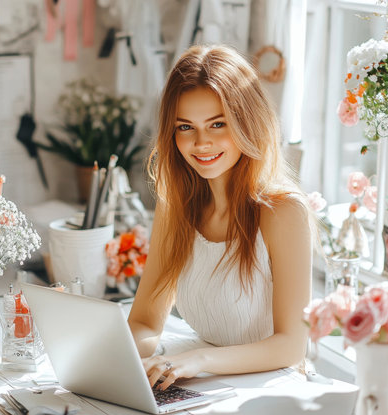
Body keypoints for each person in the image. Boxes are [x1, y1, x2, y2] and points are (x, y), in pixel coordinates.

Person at [128, 44, 313, 390]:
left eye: (217, 124)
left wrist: (199, 361)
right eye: (186, 127)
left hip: (272, 388)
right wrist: (123, 367)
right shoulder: (176, 206)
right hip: (204, 382)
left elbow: (291, 344)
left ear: (248, 122)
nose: (201, 143)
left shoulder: (283, 212)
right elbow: (145, 321)